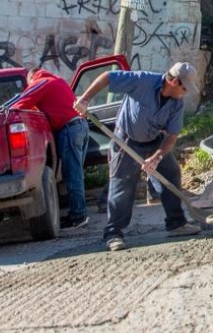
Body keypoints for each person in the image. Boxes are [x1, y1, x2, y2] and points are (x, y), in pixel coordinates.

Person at [73, 61, 203, 251]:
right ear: (174, 82)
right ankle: (113, 233)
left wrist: (157, 156)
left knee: (171, 173)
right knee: (122, 186)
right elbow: (107, 77)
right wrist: (85, 99)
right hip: (126, 139)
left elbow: (172, 136)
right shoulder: (142, 81)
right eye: (184, 88)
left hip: (154, 140)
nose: (186, 92)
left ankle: (177, 223)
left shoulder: (177, 103)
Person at [12, 67, 91, 230]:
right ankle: (79, 213)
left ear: (32, 78)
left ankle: (78, 216)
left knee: (72, 175)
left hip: (69, 130)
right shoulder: (58, 81)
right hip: (81, 126)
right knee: (76, 174)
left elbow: (19, 105)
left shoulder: (40, 83)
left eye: (28, 84)